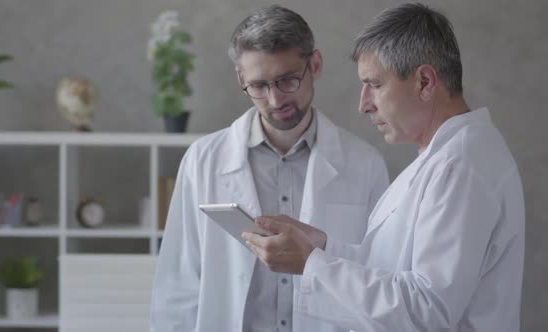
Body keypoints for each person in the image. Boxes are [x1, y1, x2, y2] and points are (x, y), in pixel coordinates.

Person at [243, 3, 525, 331]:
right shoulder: (444, 157)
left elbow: (427, 311)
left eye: (375, 84)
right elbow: (394, 271)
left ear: (424, 81)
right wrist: (322, 248)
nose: (364, 104)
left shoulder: (459, 167)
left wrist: (312, 263)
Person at [150, 5, 389, 332]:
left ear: (314, 64)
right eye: (259, 86)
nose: (276, 99)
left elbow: (379, 277)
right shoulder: (202, 160)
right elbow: (177, 287)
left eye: (288, 80)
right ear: (241, 78)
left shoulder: (365, 164)